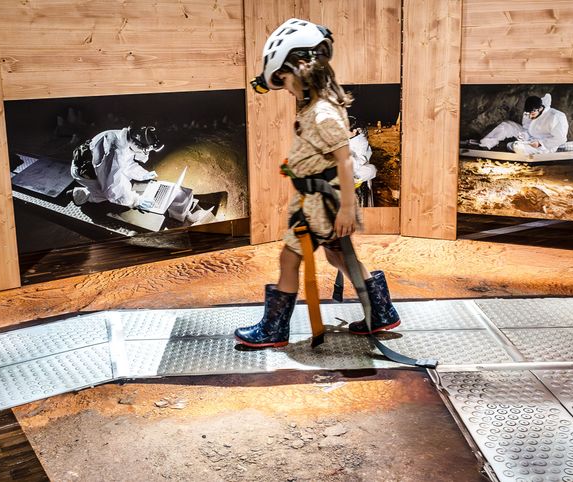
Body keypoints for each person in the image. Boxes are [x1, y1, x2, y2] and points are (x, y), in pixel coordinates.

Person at [235, 18, 401, 348]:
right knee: (338, 258)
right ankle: (382, 312)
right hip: (317, 201)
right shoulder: (313, 106)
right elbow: (322, 155)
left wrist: (347, 211)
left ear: (301, 70)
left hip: (322, 206)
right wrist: (298, 168)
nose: (284, 86)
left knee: (289, 258)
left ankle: (274, 330)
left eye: (284, 79)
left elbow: (345, 160)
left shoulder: (323, 113)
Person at [70, 125, 213, 224]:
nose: (147, 153)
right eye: (147, 150)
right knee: (102, 195)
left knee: (122, 182)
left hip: (97, 163)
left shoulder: (123, 139)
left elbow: (126, 163)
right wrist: (135, 201)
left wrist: (142, 174)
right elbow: (112, 191)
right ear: (138, 145)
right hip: (85, 174)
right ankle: (80, 195)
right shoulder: (114, 153)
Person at [479, 93, 569, 155]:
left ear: (540, 109)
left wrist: (540, 143)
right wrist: (524, 135)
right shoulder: (529, 112)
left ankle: (509, 146)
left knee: (517, 147)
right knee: (506, 125)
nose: (530, 115)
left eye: (532, 113)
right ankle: (486, 144)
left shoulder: (556, 116)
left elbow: (560, 139)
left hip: (545, 146)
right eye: (528, 113)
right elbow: (526, 128)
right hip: (530, 139)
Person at [348, 123, 376, 207]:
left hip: (356, 168)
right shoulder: (349, 137)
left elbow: (361, 161)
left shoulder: (361, 142)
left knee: (371, 170)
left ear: (354, 131)